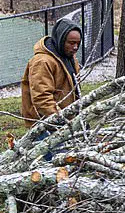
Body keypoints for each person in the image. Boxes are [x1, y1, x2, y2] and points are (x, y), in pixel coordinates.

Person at [20, 18, 82, 159]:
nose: (75, 47)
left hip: (64, 121)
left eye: (78, 43)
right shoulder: (42, 62)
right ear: (61, 40)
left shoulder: (69, 58)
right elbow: (42, 98)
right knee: (56, 164)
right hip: (44, 125)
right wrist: (60, 120)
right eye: (71, 43)